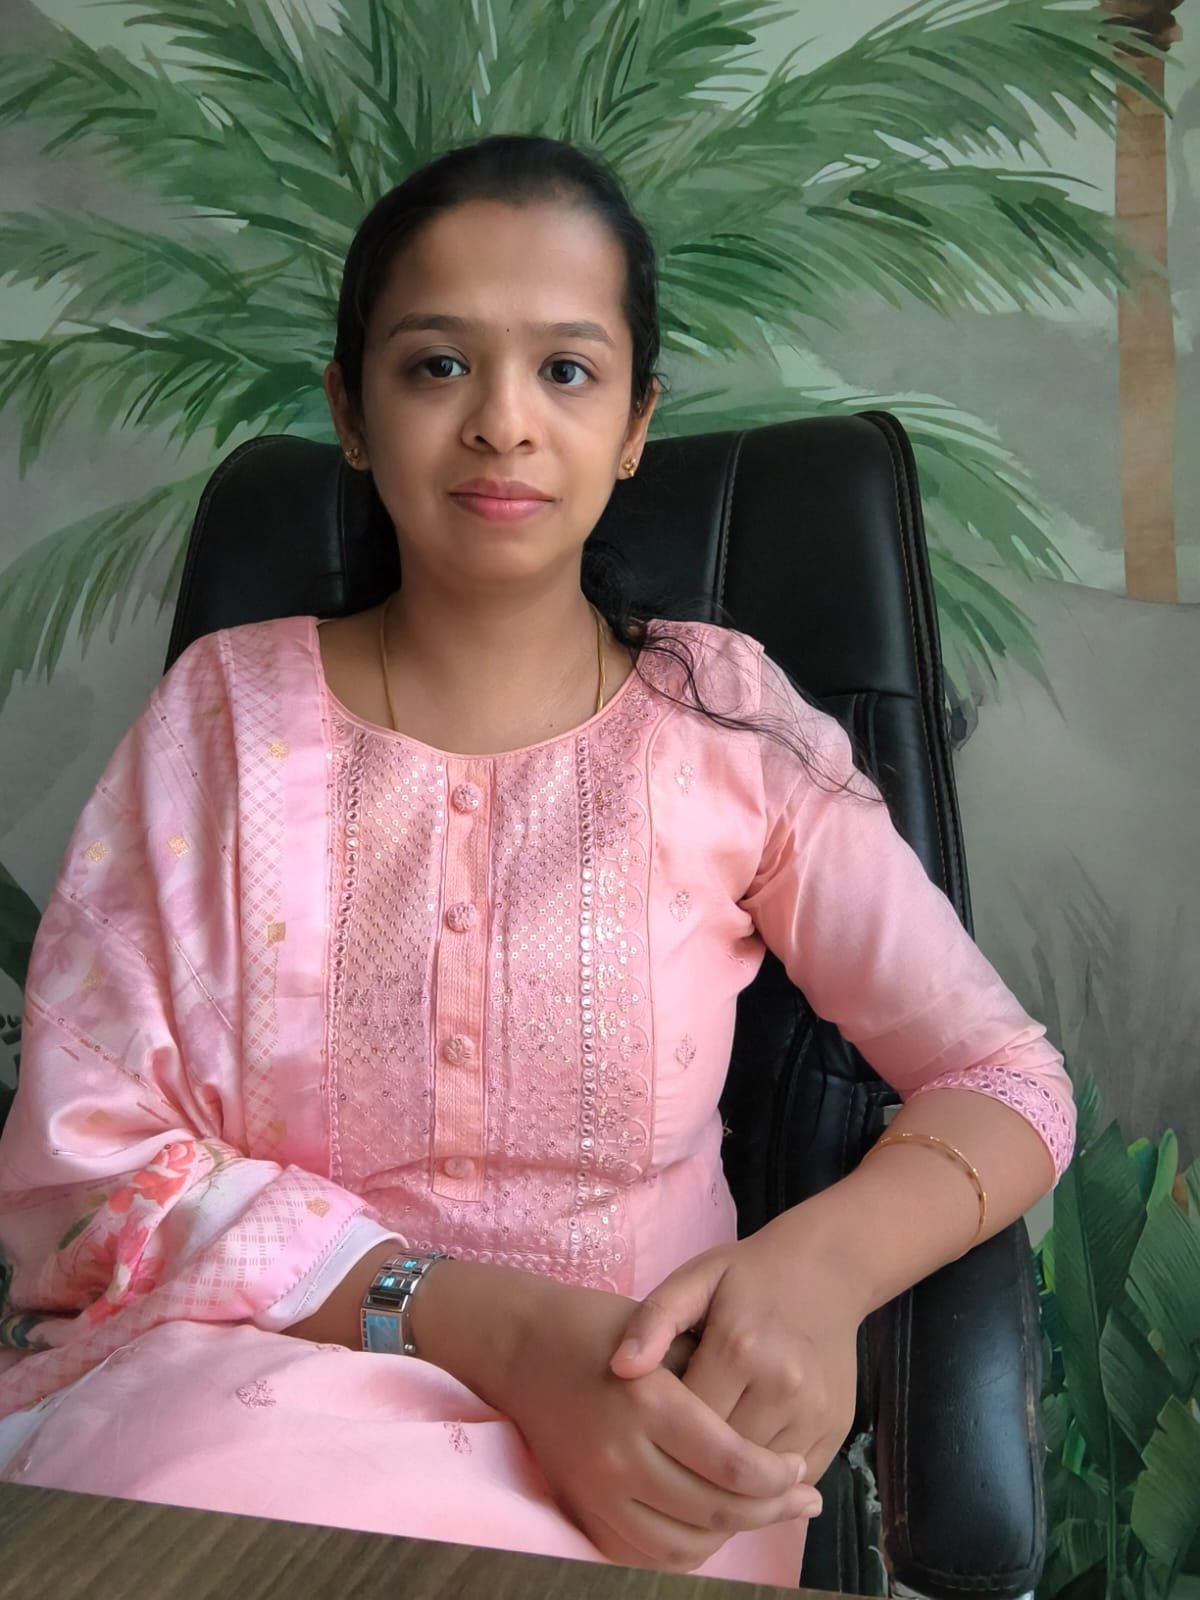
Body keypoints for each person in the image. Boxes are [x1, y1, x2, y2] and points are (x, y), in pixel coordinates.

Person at [0, 135, 1074, 1585]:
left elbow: (1006, 1080)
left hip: (642, 1436)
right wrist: (490, 1327)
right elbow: (89, 1177)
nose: (503, 422)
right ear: (353, 410)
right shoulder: (224, 718)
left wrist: (816, 1274)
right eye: (438, 365)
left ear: (636, 421)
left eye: (567, 370)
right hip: (241, 1396)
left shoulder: (726, 727)